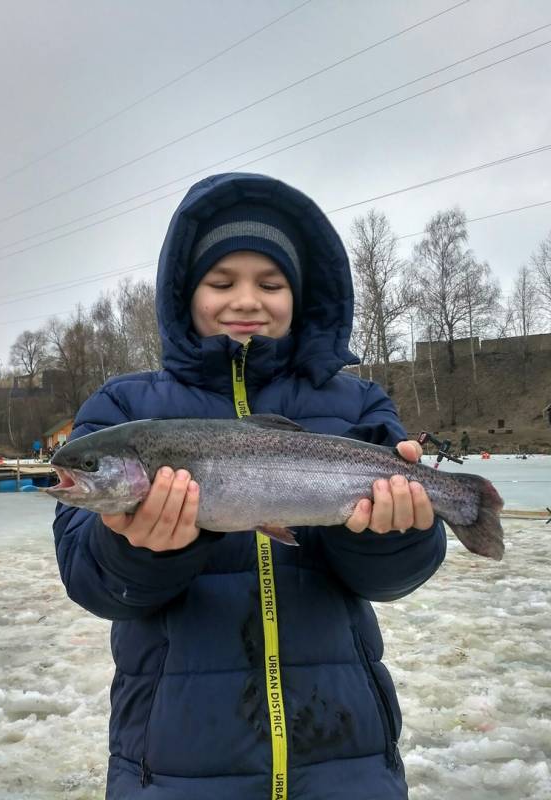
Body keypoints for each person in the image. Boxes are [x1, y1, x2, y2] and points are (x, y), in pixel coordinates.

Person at [52, 173, 447, 800]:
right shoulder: (121, 407)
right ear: (183, 294)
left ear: (300, 295)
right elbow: (92, 581)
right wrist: (141, 549)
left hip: (345, 753)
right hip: (175, 763)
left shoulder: (357, 405)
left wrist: (389, 537)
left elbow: (393, 580)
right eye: (220, 282)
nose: (246, 300)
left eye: (270, 283)